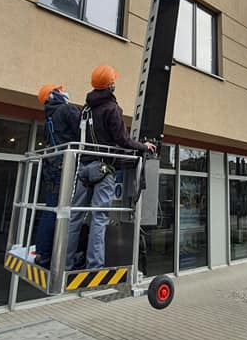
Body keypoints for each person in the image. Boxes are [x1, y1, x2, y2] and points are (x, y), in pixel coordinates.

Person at [65, 64, 155, 270]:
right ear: (110, 85)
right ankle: (94, 268)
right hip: (103, 168)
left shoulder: (86, 109)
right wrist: (144, 146)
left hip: (84, 168)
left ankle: (65, 263)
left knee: (75, 217)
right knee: (99, 219)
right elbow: (122, 139)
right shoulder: (111, 109)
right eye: (113, 81)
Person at [33, 84, 81, 269]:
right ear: (53, 95)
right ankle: (64, 252)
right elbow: (82, 132)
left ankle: (43, 252)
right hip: (65, 166)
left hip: (52, 166)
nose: (64, 91)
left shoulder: (49, 118)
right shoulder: (67, 110)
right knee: (69, 210)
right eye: (60, 90)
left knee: (52, 208)